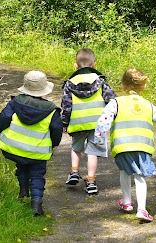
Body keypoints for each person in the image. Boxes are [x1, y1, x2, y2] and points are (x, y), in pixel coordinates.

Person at [95, 67, 156, 222]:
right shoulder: (147, 104)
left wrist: (99, 139)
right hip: (142, 146)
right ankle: (142, 209)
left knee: (124, 171)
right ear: (143, 86)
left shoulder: (115, 103)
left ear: (122, 85)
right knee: (140, 176)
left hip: (122, 146)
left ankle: (127, 202)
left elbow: (103, 123)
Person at [0, 70, 63, 216]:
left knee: (22, 166)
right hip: (38, 152)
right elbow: (56, 130)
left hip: (16, 148)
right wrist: (54, 144)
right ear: (44, 89)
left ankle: (23, 190)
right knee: (37, 175)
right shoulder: (51, 111)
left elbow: (3, 119)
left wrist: (2, 132)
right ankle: (36, 204)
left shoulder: (15, 103)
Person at [61, 48, 116, 194]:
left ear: (76, 66)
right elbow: (111, 100)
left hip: (77, 122)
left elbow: (66, 105)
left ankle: (74, 171)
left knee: (76, 147)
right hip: (97, 124)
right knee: (93, 151)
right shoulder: (101, 81)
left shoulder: (69, 83)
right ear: (94, 64)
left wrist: (64, 123)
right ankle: (91, 180)